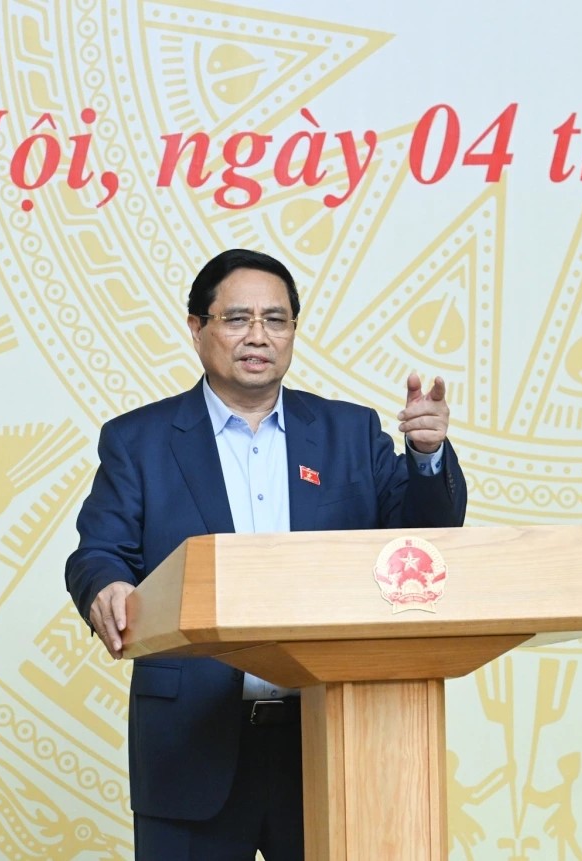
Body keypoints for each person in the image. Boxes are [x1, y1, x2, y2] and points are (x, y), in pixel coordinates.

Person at [65, 248, 467, 860]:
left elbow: (420, 543)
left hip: (332, 736)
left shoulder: (350, 433)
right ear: (197, 328)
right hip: (190, 743)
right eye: (237, 319)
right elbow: (98, 552)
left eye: (276, 320)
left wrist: (427, 456)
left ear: (293, 333)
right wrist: (106, 587)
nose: (259, 336)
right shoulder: (137, 440)